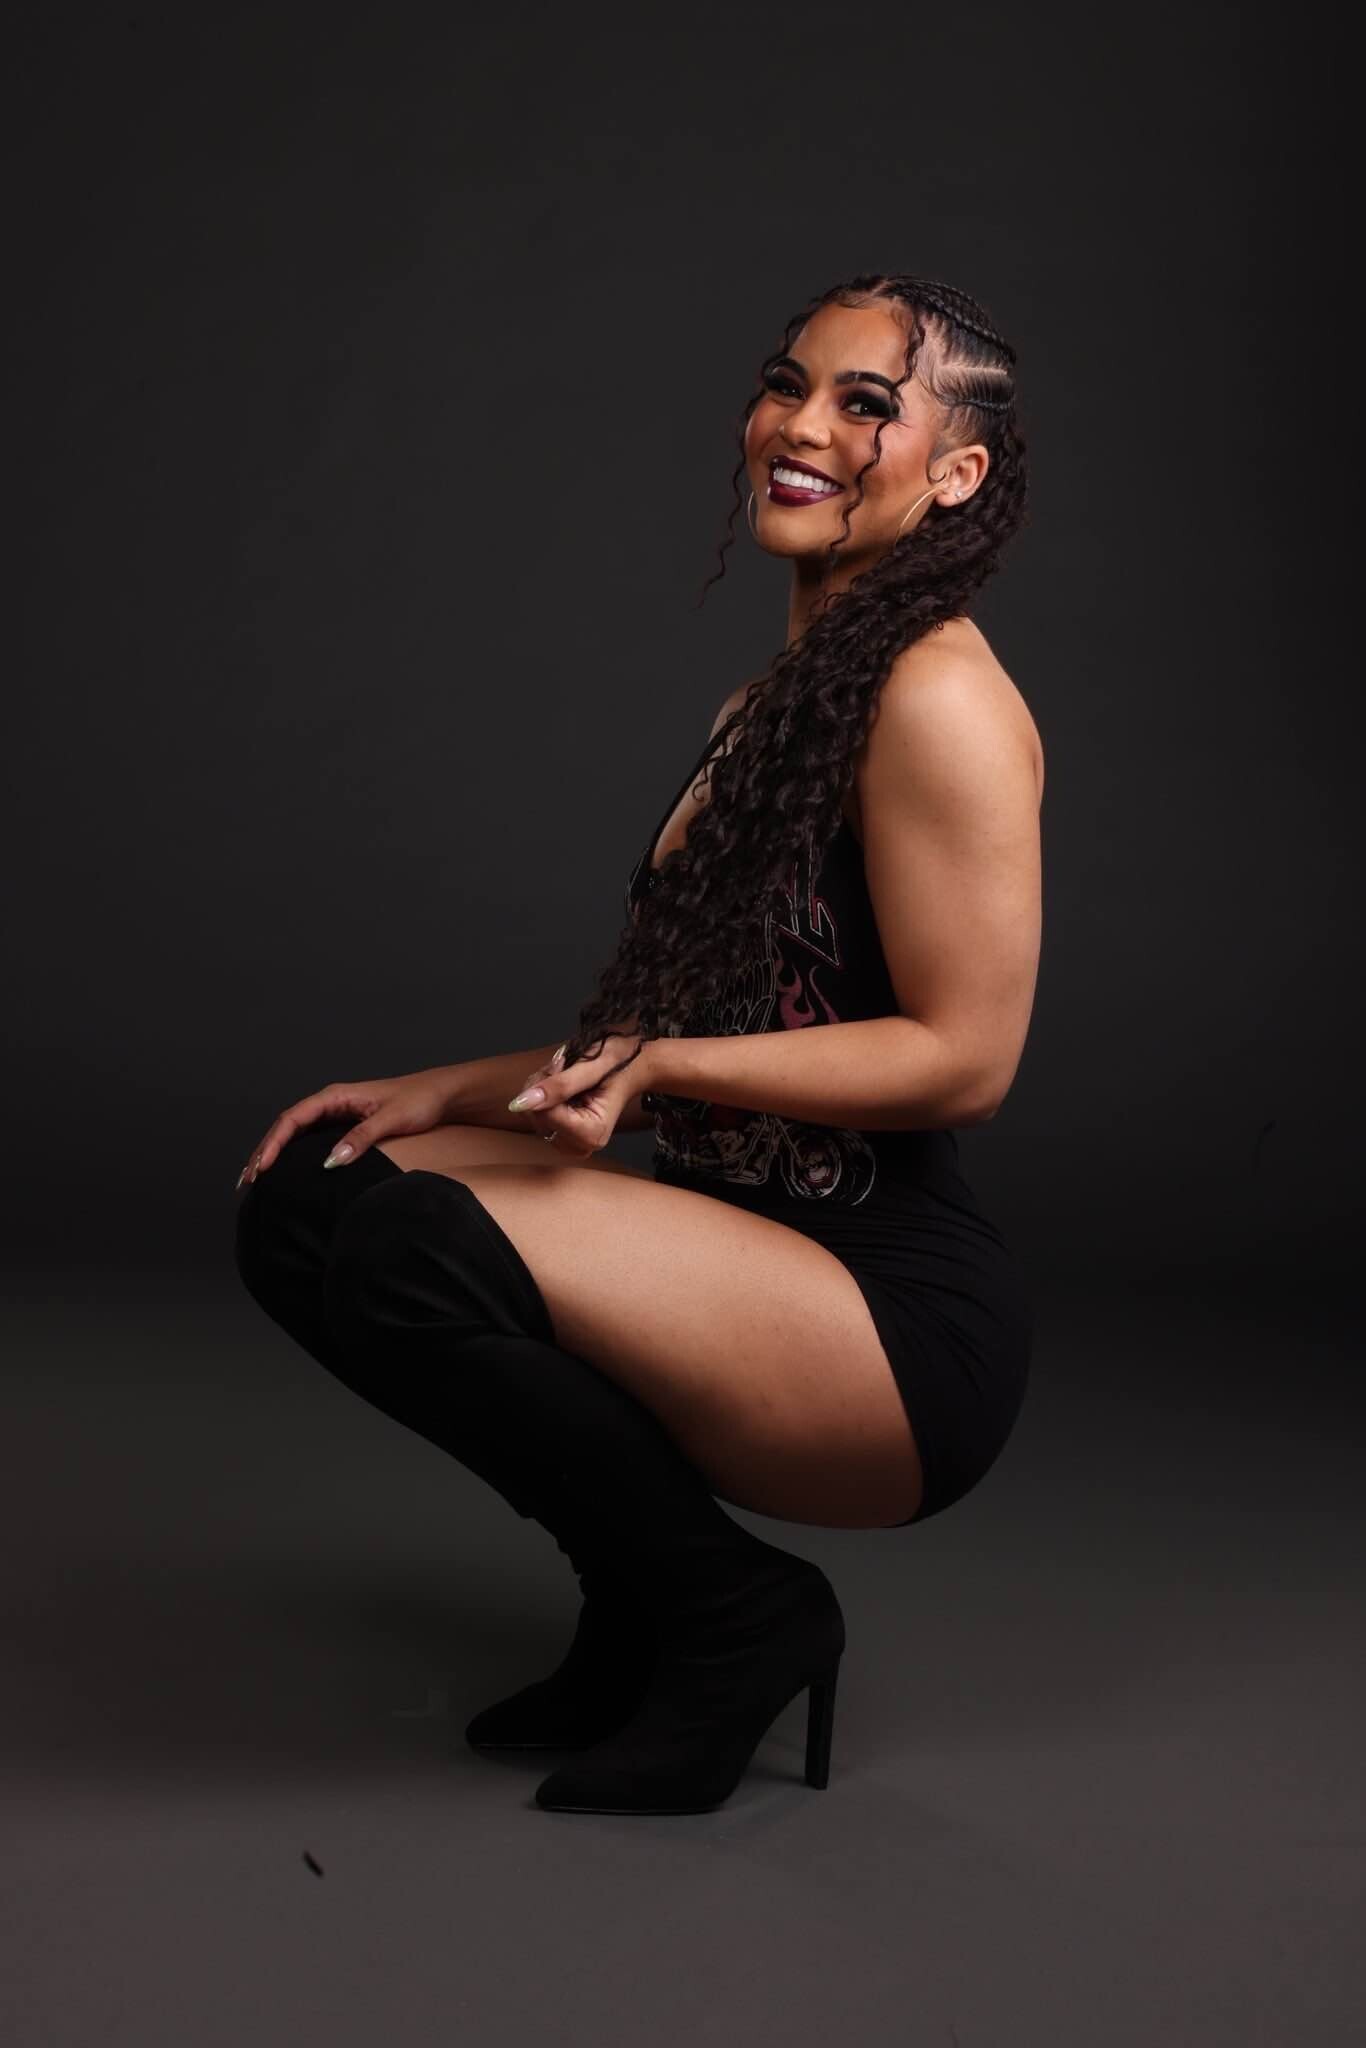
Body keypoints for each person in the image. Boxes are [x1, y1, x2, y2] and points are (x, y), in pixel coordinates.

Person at [233, 271, 1043, 1819]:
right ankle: (643, 1593)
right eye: (786, 383)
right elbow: (718, 1019)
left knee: (417, 1249)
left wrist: (660, 1073)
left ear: (955, 474)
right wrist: (453, 1087)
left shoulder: (937, 698)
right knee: (315, 1195)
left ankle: (736, 1615)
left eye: (865, 405)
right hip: (745, 1242)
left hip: (890, 1328)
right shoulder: (782, 696)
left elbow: (965, 1061)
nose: (799, 427)